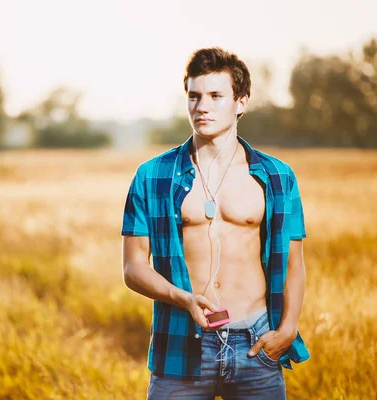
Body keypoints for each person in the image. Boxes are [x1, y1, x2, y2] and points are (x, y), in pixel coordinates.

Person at [121, 47, 310, 399]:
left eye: (215, 96)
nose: (201, 106)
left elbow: (294, 262)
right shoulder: (152, 175)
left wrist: (287, 329)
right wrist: (185, 299)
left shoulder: (277, 176)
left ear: (241, 102)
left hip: (257, 344)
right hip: (181, 344)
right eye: (194, 96)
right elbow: (133, 267)